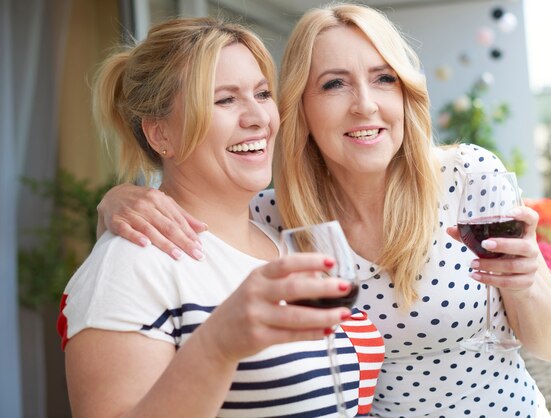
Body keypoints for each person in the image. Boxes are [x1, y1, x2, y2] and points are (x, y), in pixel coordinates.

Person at [96, 3, 551, 417]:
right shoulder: (273, 219)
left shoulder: (469, 177)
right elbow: (194, 210)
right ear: (300, 107)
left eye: (383, 79)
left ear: (404, 93)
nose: (365, 105)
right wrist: (118, 201)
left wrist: (528, 281)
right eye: (334, 85)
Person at [57, 16, 385, 418]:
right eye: (225, 100)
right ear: (161, 135)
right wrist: (216, 347)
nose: (257, 118)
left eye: (262, 93)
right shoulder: (130, 265)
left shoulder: (284, 231)